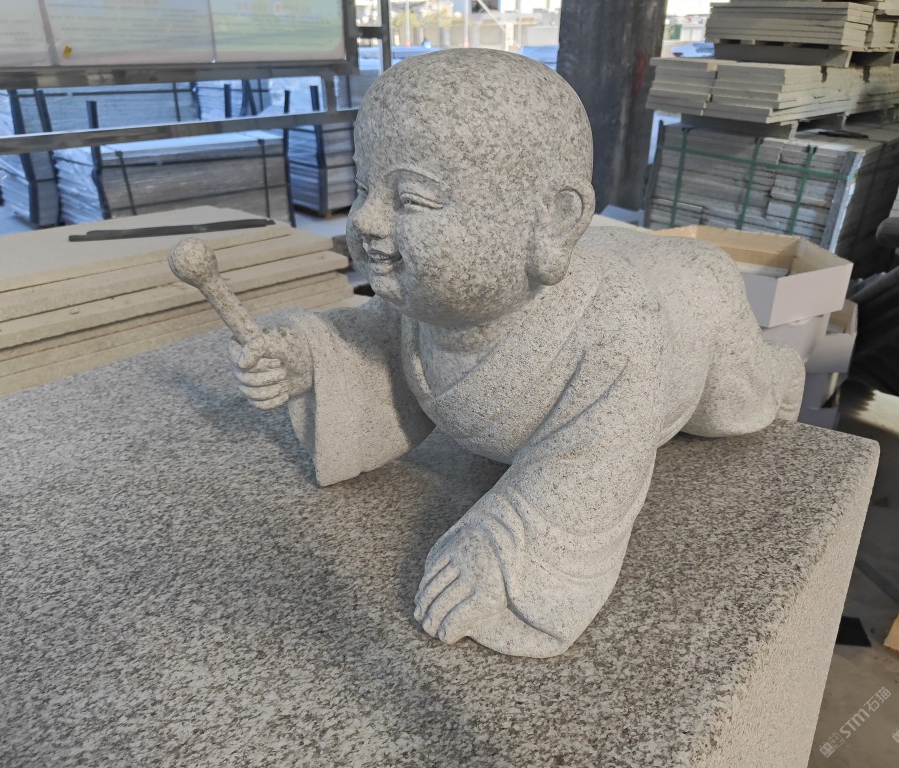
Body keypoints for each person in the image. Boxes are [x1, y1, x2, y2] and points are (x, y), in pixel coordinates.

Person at [228, 49, 804, 657]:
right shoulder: (423, 306)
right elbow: (378, 336)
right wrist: (308, 357)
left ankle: (781, 368)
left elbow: (596, 458)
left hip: (692, 303)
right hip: (612, 265)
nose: (366, 220)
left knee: (734, 413)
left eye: (412, 199)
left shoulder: (616, 323)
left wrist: (500, 545)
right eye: (366, 187)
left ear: (551, 222)